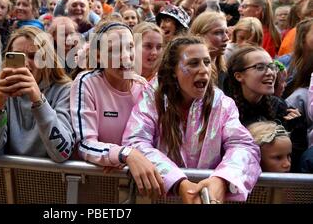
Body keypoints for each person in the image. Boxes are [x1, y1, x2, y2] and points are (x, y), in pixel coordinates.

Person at [123, 35, 261, 203]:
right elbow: (135, 142)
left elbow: (244, 146)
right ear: (174, 71)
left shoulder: (222, 104)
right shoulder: (152, 98)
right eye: (193, 63)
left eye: (207, 62)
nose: (204, 70)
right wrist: (179, 183)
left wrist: (222, 180)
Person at [71, 21, 164, 198]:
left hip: (139, 188)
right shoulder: (86, 82)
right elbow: (85, 144)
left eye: (130, 47)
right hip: (97, 186)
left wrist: (117, 156)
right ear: (98, 56)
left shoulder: (143, 86)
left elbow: (156, 138)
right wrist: (124, 154)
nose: (125, 56)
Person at [0, 27, 75, 162]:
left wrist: (39, 101)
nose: (25, 63)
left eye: (32, 56)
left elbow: (62, 153)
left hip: (50, 177)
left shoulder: (64, 89)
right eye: (18, 56)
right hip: (9, 175)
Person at [190, 11, 229, 89]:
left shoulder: (223, 69)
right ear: (199, 37)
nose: (226, 38)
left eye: (226, 32)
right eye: (218, 33)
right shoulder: (191, 69)